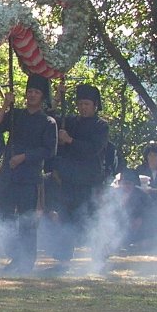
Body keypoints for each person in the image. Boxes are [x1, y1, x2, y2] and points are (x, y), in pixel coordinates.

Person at [0, 74, 58, 275]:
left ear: (42, 96)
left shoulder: (48, 122)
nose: (32, 95)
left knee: (27, 222)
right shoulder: (15, 115)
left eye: (36, 92)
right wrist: (6, 104)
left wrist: (24, 157)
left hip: (29, 178)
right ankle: (15, 255)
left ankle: (26, 262)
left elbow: (49, 150)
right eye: (30, 91)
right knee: (3, 216)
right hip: (9, 175)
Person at [47, 83, 109, 273]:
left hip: (90, 181)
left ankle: (99, 259)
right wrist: (57, 97)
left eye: (87, 104)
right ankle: (63, 260)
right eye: (80, 104)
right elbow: (49, 118)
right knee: (65, 219)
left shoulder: (101, 126)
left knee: (92, 220)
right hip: (68, 179)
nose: (83, 107)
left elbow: (93, 149)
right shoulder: (70, 122)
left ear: (95, 106)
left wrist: (70, 140)